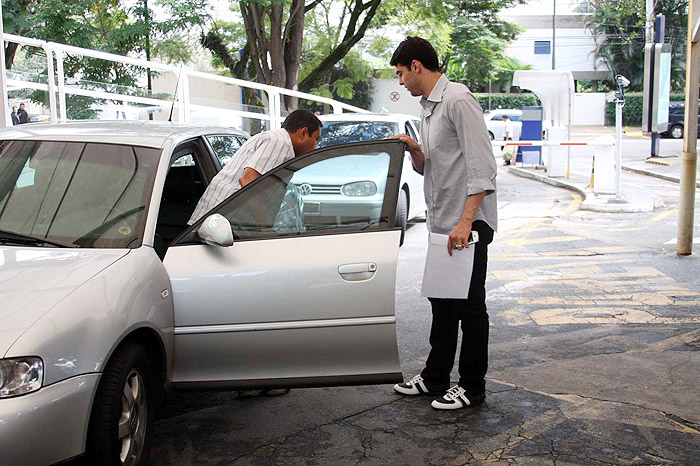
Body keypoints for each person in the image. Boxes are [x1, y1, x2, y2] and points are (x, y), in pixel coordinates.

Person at [389, 37, 498, 410]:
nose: (400, 82)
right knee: (442, 304)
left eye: (401, 73)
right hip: (442, 223)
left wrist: (466, 223)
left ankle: (472, 387)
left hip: (466, 224)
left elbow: (482, 168)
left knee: (470, 308)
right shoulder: (428, 108)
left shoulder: (458, 100)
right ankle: (436, 379)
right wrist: (417, 152)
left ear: (417, 65)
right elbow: (429, 168)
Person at [188, 109, 322, 225]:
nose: (315, 147)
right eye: (316, 139)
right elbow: (248, 179)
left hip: (214, 223)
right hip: (216, 226)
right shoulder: (280, 143)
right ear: (303, 133)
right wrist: (264, 226)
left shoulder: (274, 139)